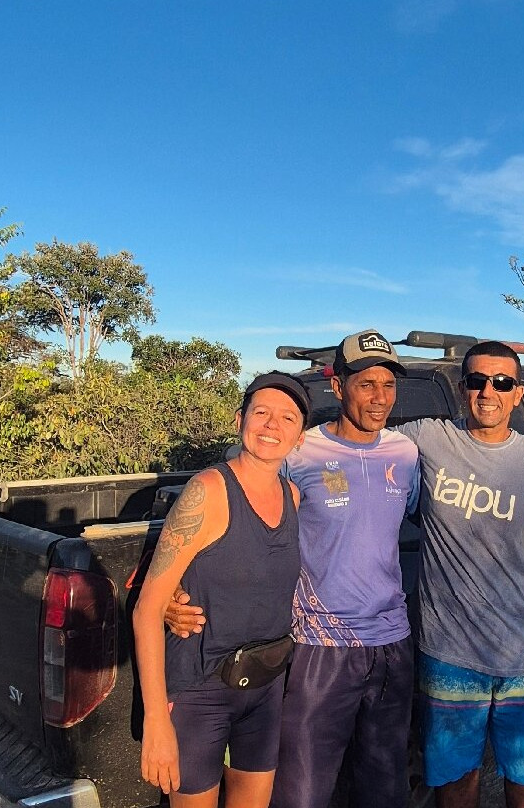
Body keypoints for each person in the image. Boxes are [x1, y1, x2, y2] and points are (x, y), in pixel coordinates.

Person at [166, 330, 420, 808]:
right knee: (301, 794)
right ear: (338, 386)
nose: (380, 398)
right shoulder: (298, 452)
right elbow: (231, 514)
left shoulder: (406, 454)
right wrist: (175, 592)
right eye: (366, 384)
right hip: (318, 647)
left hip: (392, 645)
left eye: (388, 385)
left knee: (385, 791)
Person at [395, 340, 524, 808]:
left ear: (517, 394)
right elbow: (361, 442)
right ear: (463, 388)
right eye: (477, 380)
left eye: (502, 382)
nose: (489, 390)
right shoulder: (428, 438)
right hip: (449, 654)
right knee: (456, 784)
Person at [133, 372, 310, 808]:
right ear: (239, 420)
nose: (272, 425)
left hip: (264, 684)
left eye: (288, 418)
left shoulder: (293, 496)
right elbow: (147, 609)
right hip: (200, 691)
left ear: (300, 437)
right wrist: (157, 721)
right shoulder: (209, 491)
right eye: (261, 412)